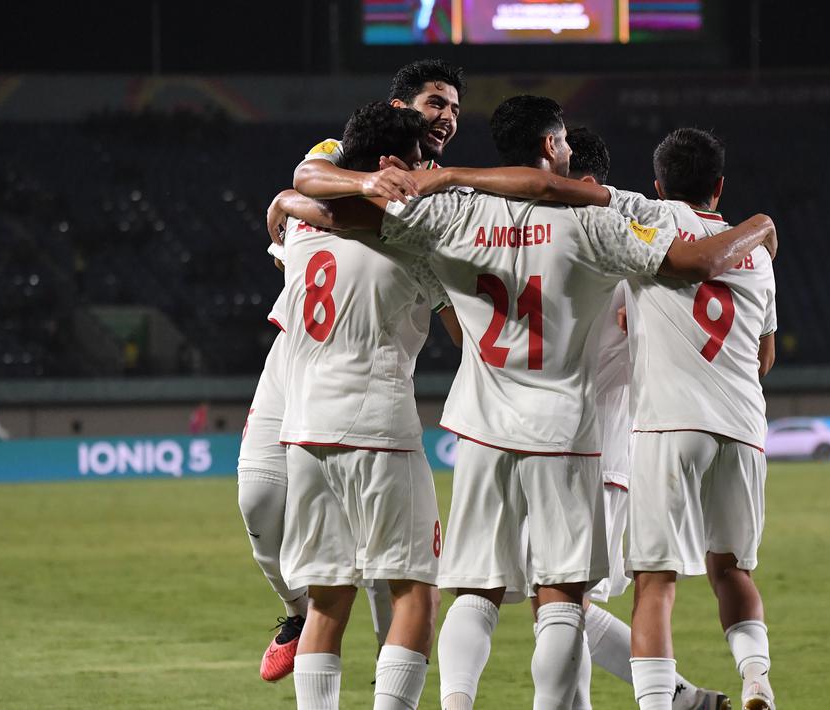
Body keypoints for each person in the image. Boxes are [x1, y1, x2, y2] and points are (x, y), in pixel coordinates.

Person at [277, 95, 777, 710]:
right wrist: (758, 227)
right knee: (563, 598)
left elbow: (348, 217)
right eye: (564, 141)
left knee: (475, 594)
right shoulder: (596, 223)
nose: (570, 151)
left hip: (482, 426)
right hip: (564, 431)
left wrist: (289, 204)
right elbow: (685, 262)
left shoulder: (453, 214)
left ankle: (457, 702)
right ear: (549, 147)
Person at [242, 58, 466, 684]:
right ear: (399, 110)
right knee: (262, 498)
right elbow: (306, 175)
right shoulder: (356, 161)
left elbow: (296, 195)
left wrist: (291, 206)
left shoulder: (422, 192)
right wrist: (363, 191)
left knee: (342, 587)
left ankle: (340, 645)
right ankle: (298, 617)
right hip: (321, 374)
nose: (445, 115)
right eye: (433, 103)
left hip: (324, 393)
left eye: (452, 106)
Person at [603, 128, 779, 710]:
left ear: (657, 185)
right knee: (732, 569)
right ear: (719, 186)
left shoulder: (647, 228)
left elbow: (625, 326)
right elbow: (765, 355)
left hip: (669, 423)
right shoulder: (753, 252)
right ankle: (757, 679)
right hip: (743, 426)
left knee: (656, 579)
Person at [564, 127, 729, 710]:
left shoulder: (604, 244)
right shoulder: (629, 240)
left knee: (559, 602)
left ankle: (672, 695)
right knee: (558, 601)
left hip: (592, 449)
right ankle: (678, 696)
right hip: (588, 449)